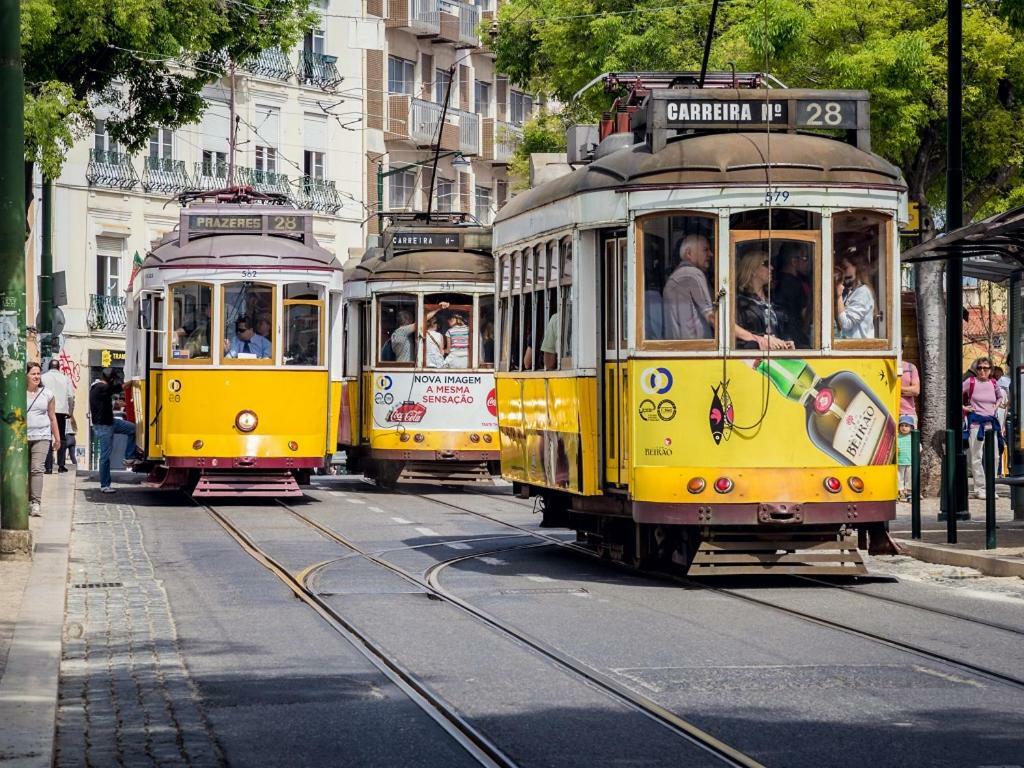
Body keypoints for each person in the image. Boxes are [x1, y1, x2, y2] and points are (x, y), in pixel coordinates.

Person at [90, 368, 143, 494]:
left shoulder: (96, 387)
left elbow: (104, 404)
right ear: (111, 379)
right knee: (105, 457)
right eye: (114, 380)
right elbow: (121, 387)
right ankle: (104, 485)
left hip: (110, 422)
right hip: (104, 426)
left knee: (133, 428)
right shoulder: (101, 388)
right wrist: (134, 381)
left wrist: (117, 405)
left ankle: (129, 457)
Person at [962, 356, 1006, 499]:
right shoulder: (971, 382)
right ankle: (980, 488)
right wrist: (965, 408)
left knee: (995, 456)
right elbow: (955, 394)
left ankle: (990, 487)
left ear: (990, 370)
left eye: (985, 368)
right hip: (976, 424)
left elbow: (1000, 397)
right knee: (977, 456)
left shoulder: (993, 383)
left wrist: (997, 405)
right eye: (979, 368)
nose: (982, 371)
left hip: (991, 424)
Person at [734, 251, 793, 351]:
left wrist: (787, 341)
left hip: (779, 359)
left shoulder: (774, 302)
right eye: (766, 264)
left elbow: (783, 329)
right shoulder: (740, 303)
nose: (771, 268)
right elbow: (735, 335)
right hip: (752, 360)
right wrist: (760, 340)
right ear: (752, 270)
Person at [662, 235, 715, 340]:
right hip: (696, 349)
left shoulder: (675, 276)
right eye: (706, 250)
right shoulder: (692, 273)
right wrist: (747, 335)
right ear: (689, 253)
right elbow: (712, 317)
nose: (711, 254)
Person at [26, 362, 60, 516]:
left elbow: (52, 417)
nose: (37, 377)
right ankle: (24, 501)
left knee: (37, 469)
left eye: (38, 374)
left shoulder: (47, 393)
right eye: (33, 374)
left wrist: (57, 438)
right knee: (23, 470)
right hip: (22, 437)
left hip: (42, 436)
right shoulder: (19, 392)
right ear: (26, 375)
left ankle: (35, 503)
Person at [774, 245, 812, 348]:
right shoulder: (796, 284)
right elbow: (805, 315)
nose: (807, 262)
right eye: (805, 258)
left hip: (779, 334)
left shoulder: (774, 280)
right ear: (794, 261)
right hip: (795, 336)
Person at [835, 251, 876, 339]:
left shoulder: (863, 292)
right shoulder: (851, 292)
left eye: (845, 268)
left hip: (858, 349)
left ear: (857, 268)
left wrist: (839, 296)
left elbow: (846, 324)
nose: (843, 273)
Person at [41, 360, 71, 473]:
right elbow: (71, 396)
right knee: (61, 438)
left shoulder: (43, 377)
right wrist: (70, 411)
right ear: (59, 367)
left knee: (48, 436)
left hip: (47, 410)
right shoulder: (65, 378)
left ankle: (48, 467)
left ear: (49, 367)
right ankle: (61, 465)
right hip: (61, 411)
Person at [897, 415, 914, 502]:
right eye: (902, 425)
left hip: (910, 462)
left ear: (911, 427)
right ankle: (900, 492)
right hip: (899, 461)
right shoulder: (897, 436)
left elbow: (919, 447)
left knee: (909, 478)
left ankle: (908, 493)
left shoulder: (913, 437)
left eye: (906, 426)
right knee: (899, 478)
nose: (904, 428)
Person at [899, 358, 920, 427]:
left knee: (909, 438)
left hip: (907, 413)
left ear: (901, 350)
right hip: (887, 412)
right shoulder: (883, 367)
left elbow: (916, 391)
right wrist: (906, 391)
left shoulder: (910, 367)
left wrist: (895, 390)